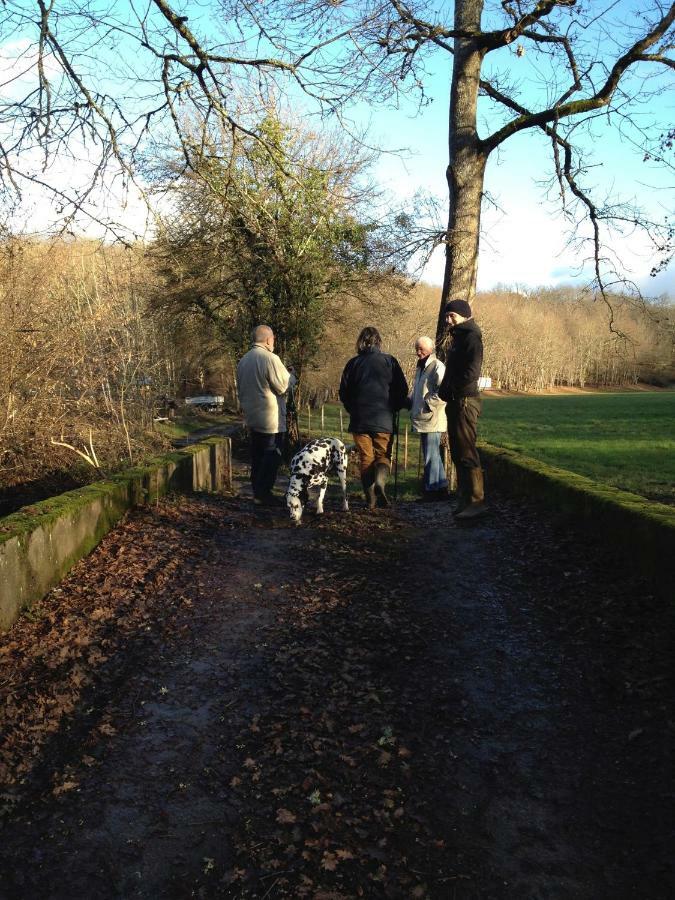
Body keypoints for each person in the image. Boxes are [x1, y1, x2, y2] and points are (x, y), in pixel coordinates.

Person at [339, 326, 408, 509]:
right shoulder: (389, 361)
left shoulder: (352, 364)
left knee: (365, 458)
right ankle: (380, 482)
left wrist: (352, 408)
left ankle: (370, 499)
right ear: (379, 341)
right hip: (383, 418)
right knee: (383, 455)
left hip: (359, 420)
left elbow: (343, 392)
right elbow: (402, 389)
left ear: (361, 342)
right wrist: (393, 405)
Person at [438, 299, 488, 519]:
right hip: (456, 400)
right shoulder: (459, 337)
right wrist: (444, 390)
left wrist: (452, 389)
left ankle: (476, 502)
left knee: (467, 452)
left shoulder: (471, 336)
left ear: (464, 315)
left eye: (452, 316)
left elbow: (471, 373)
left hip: (466, 400)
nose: (449, 320)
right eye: (447, 316)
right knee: (458, 453)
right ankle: (465, 500)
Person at [236, 325, 290, 506]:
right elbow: (283, 385)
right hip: (271, 419)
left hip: (252, 418)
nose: (274, 341)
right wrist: (292, 377)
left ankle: (257, 492)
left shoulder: (243, 360)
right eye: (273, 338)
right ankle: (264, 494)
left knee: (257, 457)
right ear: (268, 340)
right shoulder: (269, 358)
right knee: (271, 456)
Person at [409, 336, 448, 501]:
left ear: (431, 350)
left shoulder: (437, 366)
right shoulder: (421, 368)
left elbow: (443, 392)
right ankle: (440, 488)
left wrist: (426, 405)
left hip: (432, 418)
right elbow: (419, 391)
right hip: (425, 418)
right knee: (433, 455)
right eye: (417, 349)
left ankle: (432, 491)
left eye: (421, 349)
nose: (418, 352)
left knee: (431, 456)